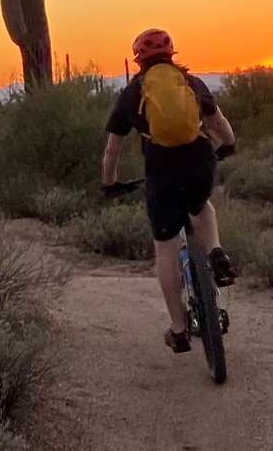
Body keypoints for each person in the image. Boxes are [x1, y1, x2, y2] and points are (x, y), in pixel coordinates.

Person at [101, 28, 236, 354]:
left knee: (166, 250)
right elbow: (218, 122)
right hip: (198, 162)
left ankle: (178, 331)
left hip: (161, 172)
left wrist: (110, 183)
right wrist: (229, 144)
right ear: (172, 54)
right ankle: (216, 250)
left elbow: (112, 151)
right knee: (201, 204)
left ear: (138, 59)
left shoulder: (132, 93)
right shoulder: (191, 83)